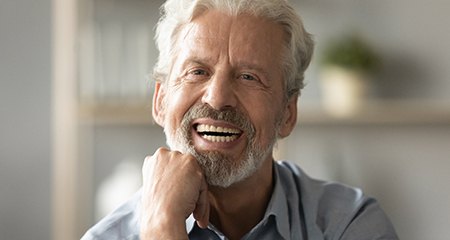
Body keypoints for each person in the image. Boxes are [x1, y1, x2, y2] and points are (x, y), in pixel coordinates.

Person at [82, 0, 398, 239]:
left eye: (249, 77)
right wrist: (163, 223)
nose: (217, 97)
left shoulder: (349, 226)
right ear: (161, 100)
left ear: (288, 114)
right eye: (197, 72)